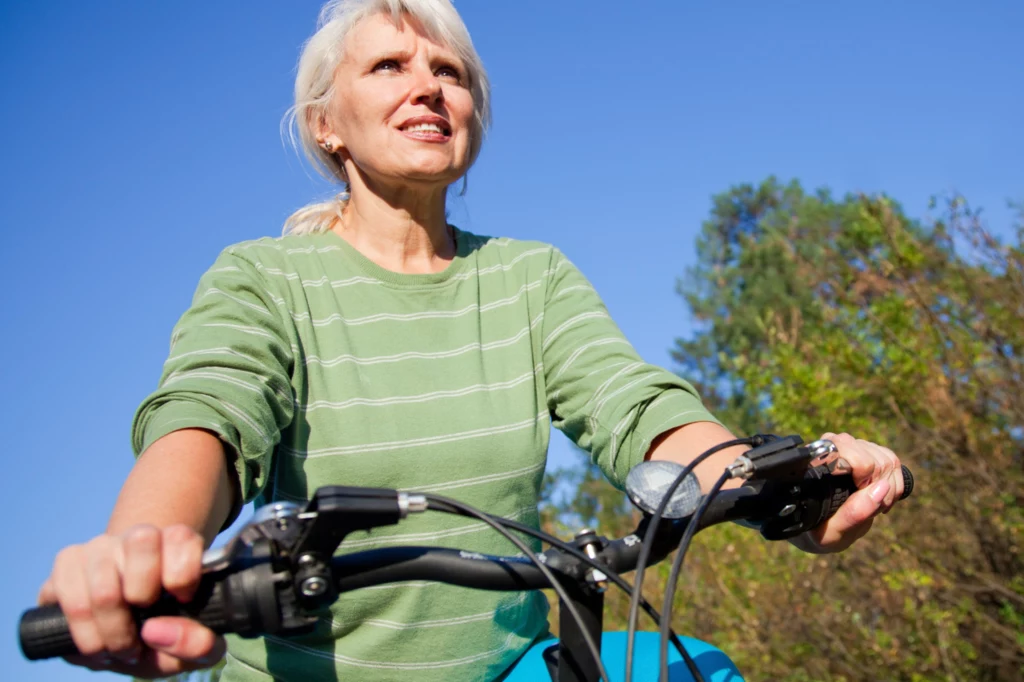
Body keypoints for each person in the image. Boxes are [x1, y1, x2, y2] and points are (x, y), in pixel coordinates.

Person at [37, 1, 905, 680]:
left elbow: (634, 408)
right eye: (388, 66)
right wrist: (144, 545)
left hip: (514, 669)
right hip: (301, 674)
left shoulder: (530, 278)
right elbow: (210, 417)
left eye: (449, 72)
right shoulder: (268, 280)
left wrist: (783, 484)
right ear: (325, 126)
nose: (429, 86)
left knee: (688, 672)